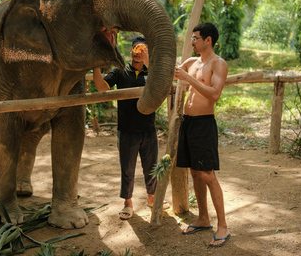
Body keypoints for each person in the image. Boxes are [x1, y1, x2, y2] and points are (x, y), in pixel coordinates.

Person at [93, 35, 169, 220]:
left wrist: (149, 61)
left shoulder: (151, 73)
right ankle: (127, 203)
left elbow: (161, 84)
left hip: (148, 129)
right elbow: (101, 87)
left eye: (143, 49)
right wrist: (95, 65)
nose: (138, 53)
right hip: (126, 130)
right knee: (127, 168)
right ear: (130, 50)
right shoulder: (120, 71)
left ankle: (152, 199)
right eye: (136, 48)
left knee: (151, 167)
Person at [174, 22, 230, 247]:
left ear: (208, 40)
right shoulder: (190, 62)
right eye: (191, 38)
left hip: (204, 124)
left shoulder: (219, 64)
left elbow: (215, 94)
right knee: (195, 173)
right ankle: (204, 218)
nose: (192, 42)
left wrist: (188, 79)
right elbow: (169, 71)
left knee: (207, 174)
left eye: (195, 38)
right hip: (188, 123)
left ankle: (223, 227)